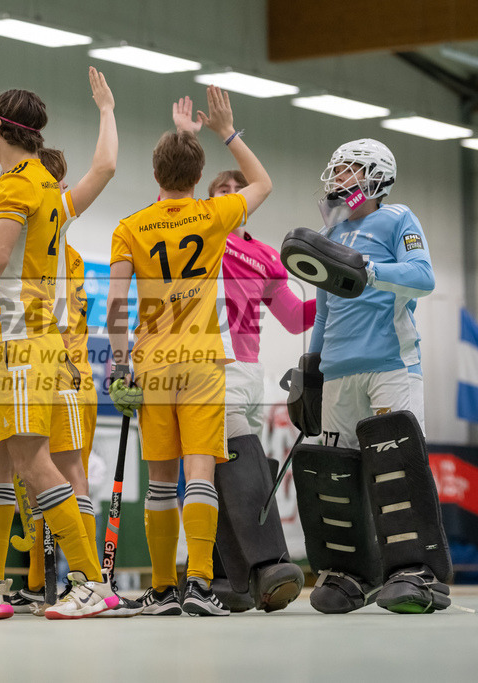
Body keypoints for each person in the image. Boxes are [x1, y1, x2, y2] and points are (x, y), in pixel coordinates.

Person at [0, 76, 116, 621]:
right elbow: (1, 229)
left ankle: (89, 582)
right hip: (4, 344)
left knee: (33, 463)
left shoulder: (19, 185)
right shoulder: (40, 186)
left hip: (18, 341)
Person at [106, 86, 272, 617]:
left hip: (152, 363)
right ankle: (199, 586)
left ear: (154, 175)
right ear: (199, 177)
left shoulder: (128, 228)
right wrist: (225, 131)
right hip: (203, 363)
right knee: (199, 474)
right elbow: (264, 182)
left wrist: (118, 363)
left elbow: (114, 305)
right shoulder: (214, 214)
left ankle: (160, 590)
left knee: (159, 482)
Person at [289, 137, 450, 615]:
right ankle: (350, 574)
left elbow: (424, 277)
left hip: (390, 366)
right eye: (337, 170)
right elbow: (321, 312)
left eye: (349, 170)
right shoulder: (331, 231)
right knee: (340, 478)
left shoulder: (399, 218)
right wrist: (311, 370)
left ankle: (416, 571)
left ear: (375, 176)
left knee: (397, 470)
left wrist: (368, 270)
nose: (339, 178)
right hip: (338, 373)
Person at [201, 168, 314, 613]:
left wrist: (332, 286)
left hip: (248, 372)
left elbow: (292, 317)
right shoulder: (206, 233)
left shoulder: (266, 256)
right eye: (223, 191)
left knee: (230, 462)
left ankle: (251, 570)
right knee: (226, 463)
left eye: (238, 190)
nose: (234, 196)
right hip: (213, 364)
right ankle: (249, 571)